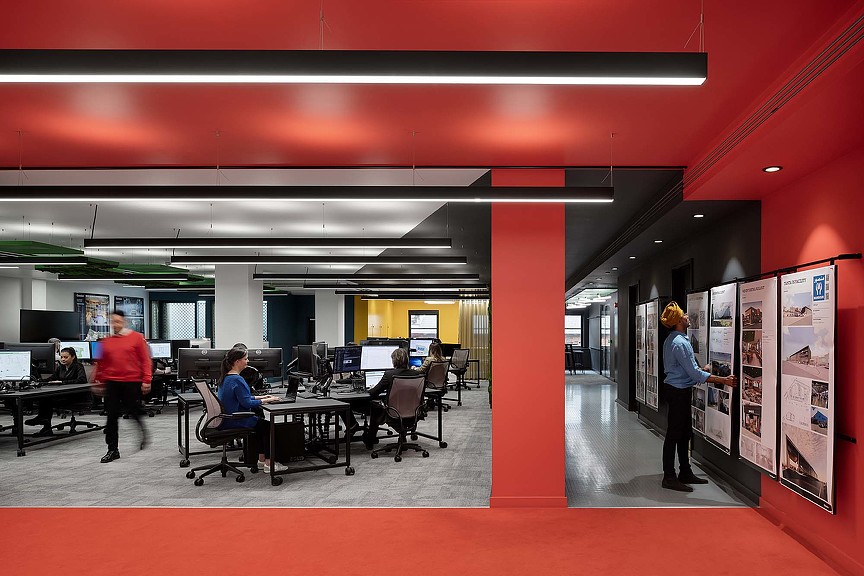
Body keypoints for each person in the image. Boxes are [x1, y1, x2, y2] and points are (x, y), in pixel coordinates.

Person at [660, 301, 737, 492]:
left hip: (677, 390)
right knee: (674, 434)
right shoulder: (680, 343)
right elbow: (694, 375)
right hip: (678, 393)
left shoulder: (673, 340)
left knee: (684, 432)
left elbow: (686, 369)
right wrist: (724, 380)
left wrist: (700, 369)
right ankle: (669, 477)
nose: (687, 315)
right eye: (683, 315)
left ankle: (684, 471)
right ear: (678, 321)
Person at [93, 310, 152, 463]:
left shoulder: (137, 338)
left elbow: (145, 360)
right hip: (112, 382)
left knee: (133, 410)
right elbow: (101, 364)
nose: (115, 325)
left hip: (131, 381)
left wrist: (147, 379)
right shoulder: (106, 341)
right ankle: (112, 450)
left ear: (124, 322)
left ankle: (142, 429)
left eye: (118, 321)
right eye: (113, 322)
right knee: (111, 416)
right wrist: (98, 381)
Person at [217, 347, 284, 472]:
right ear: (237, 362)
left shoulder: (226, 378)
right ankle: (269, 464)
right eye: (245, 359)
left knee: (260, 426)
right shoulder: (237, 379)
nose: (247, 362)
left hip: (226, 418)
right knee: (268, 427)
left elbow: (243, 397)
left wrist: (264, 396)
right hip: (236, 419)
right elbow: (247, 403)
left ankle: (261, 460)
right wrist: (268, 400)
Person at [24, 346, 88, 436]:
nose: (63, 359)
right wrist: (40, 381)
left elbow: (82, 380)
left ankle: (44, 422)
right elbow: (53, 378)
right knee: (44, 397)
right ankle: (45, 425)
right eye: (62, 357)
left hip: (73, 396)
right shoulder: (61, 367)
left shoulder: (78, 366)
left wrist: (63, 382)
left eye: (66, 357)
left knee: (47, 399)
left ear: (73, 357)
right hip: (62, 394)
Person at [361, 348, 418, 450]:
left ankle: (370, 439)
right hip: (413, 413)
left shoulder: (389, 374)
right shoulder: (416, 374)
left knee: (375, 407)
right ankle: (402, 436)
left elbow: (373, 393)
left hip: (393, 413)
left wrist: (368, 390)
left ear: (394, 361)